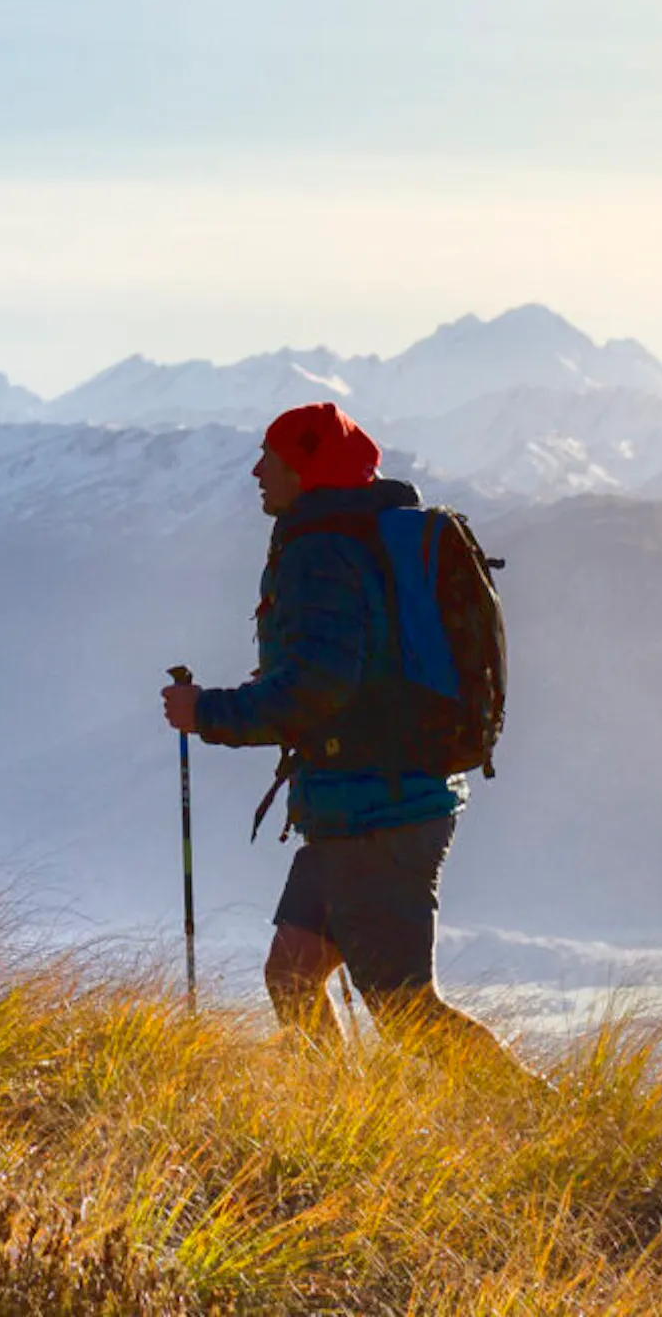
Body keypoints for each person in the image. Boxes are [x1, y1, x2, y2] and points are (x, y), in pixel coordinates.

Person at [161, 402, 536, 1082]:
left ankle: (547, 1119)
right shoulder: (356, 534)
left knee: (403, 1008)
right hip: (368, 798)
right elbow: (346, 674)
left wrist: (206, 711)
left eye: (270, 457)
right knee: (294, 971)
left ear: (305, 467)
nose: (256, 471)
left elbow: (315, 688)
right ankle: (339, 1118)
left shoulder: (322, 551)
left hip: (378, 810)